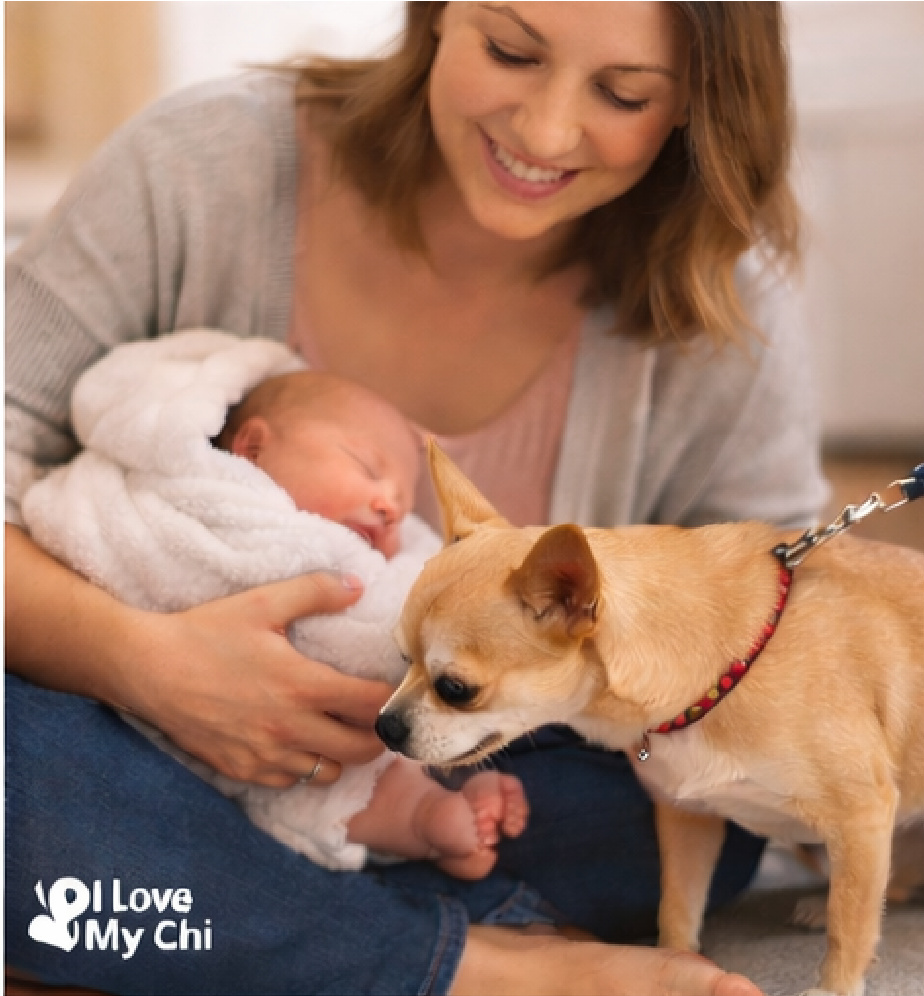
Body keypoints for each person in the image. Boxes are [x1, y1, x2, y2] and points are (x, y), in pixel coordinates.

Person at [5, 3, 828, 994]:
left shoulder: (718, 291)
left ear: (699, 105)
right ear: (436, 17)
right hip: (129, 729)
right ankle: (470, 961)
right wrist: (149, 667)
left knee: (693, 815)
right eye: (510, 51)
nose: (544, 132)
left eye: (623, 94)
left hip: (463, 786)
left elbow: (781, 617)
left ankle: (198, 918)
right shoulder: (203, 164)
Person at [20, 329, 528, 880]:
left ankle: (426, 815)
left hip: (327, 753)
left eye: (403, 506)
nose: (388, 507)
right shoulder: (181, 493)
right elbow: (88, 527)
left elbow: (420, 602)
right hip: (126, 727)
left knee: (364, 781)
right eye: (365, 467)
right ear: (253, 447)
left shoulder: (370, 557)